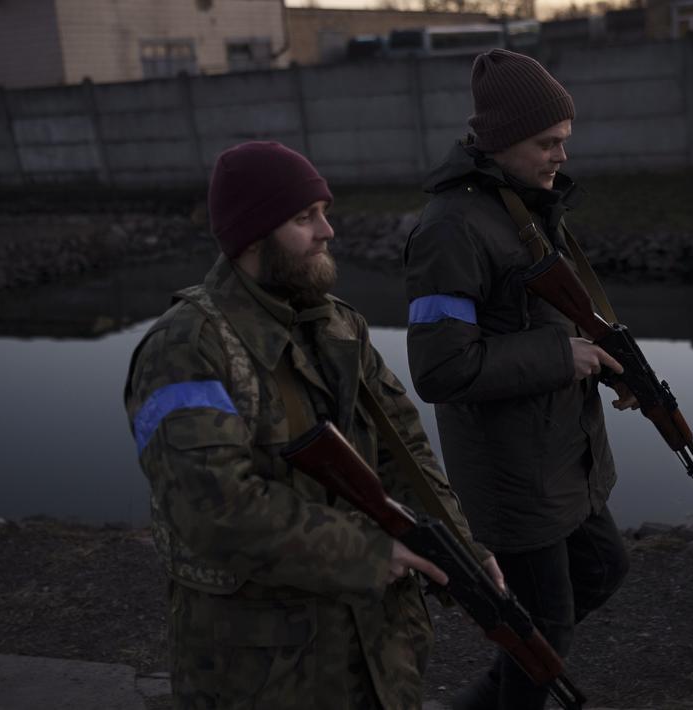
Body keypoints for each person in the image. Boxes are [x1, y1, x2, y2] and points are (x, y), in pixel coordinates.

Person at [124, 141, 502, 710]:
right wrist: (372, 553)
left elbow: (405, 454)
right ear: (253, 235)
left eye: (325, 211)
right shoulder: (185, 347)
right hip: (265, 667)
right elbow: (212, 509)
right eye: (305, 218)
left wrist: (459, 546)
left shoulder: (339, 325)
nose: (328, 230)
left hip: (375, 651)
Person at [403, 49, 632, 709]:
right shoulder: (449, 230)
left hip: (563, 454)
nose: (561, 154)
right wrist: (564, 356)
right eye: (547, 141)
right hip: (512, 469)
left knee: (602, 570)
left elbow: (541, 313)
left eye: (563, 139)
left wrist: (597, 352)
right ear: (501, 141)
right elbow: (440, 368)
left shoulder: (523, 207)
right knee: (542, 633)